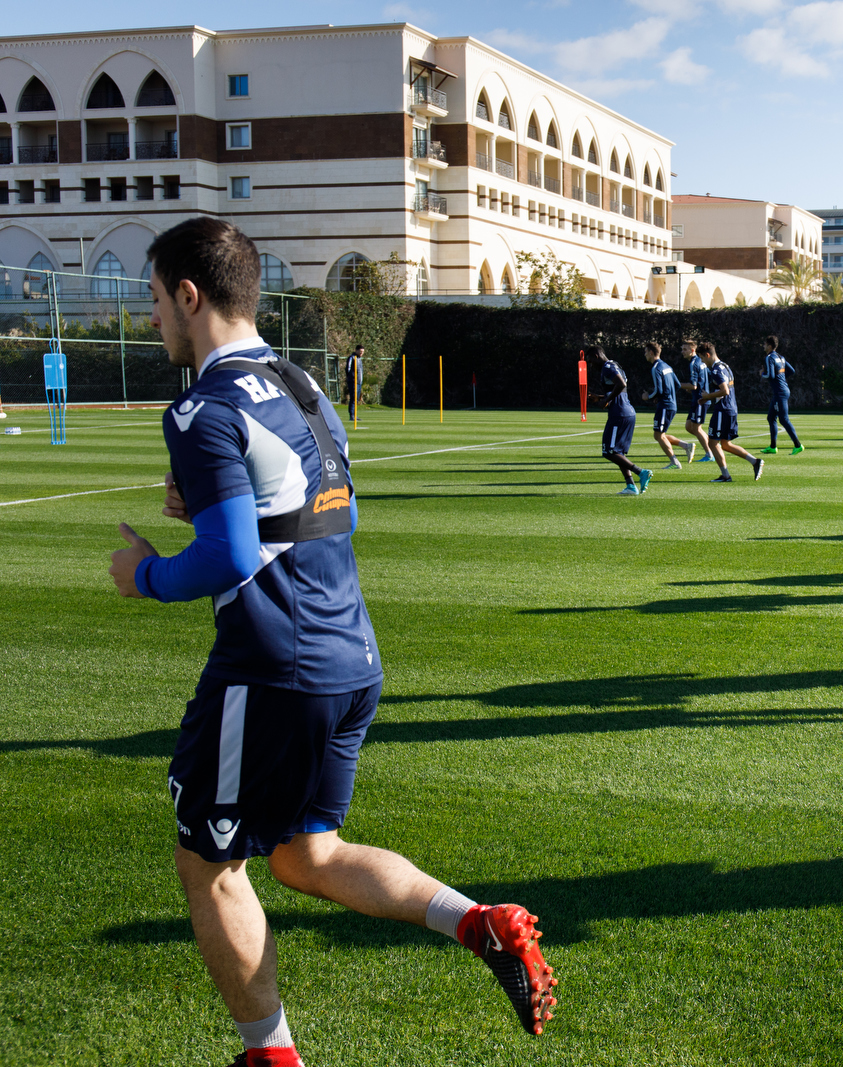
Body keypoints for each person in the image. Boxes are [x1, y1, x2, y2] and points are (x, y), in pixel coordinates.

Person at [106, 218, 556, 1067]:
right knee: (309, 854)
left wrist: (150, 575)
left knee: (210, 864)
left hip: (269, 665)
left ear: (190, 295)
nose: (153, 318)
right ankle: (478, 920)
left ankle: (271, 1057)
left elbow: (234, 555)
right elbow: (322, 506)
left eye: (157, 299)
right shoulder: (304, 384)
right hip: (352, 655)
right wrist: (211, 504)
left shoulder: (203, 404)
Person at [700, 341, 765, 482]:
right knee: (725, 444)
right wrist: (708, 397)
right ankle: (755, 462)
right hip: (731, 408)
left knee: (712, 443)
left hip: (722, 410)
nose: (703, 362)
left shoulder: (716, 370)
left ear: (707, 354)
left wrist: (707, 396)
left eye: (702, 358)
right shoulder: (725, 366)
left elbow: (725, 390)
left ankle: (725, 475)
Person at [591, 347, 652, 495]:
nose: (590, 364)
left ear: (596, 356)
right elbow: (618, 389)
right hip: (626, 412)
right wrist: (600, 397)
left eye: (590, 360)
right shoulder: (614, 365)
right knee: (618, 453)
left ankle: (641, 472)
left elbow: (621, 384)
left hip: (619, 414)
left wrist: (606, 400)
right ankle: (630, 486)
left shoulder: (607, 367)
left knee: (609, 451)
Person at [643, 342, 691, 468]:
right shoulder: (667, 366)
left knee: (659, 435)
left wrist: (648, 397)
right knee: (659, 434)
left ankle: (674, 462)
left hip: (665, 406)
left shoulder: (656, 368)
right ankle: (686, 446)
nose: (645, 354)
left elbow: (658, 390)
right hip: (670, 404)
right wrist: (667, 396)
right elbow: (677, 385)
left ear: (651, 353)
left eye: (646, 352)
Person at [760, 334, 803, 455]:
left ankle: (798, 445)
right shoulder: (780, 357)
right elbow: (791, 371)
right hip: (782, 391)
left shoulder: (769, 358)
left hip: (780, 392)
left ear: (769, 346)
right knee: (771, 417)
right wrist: (782, 378)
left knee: (783, 419)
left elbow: (770, 375)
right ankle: (773, 446)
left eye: (764, 344)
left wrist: (762, 374)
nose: (763, 346)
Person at [680, 339, 715, 462]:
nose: (682, 351)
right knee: (689, 426)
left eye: (685, 349)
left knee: (696, 428)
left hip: (701, 400)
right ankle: (713, 446)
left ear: (692, 350)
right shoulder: (701, 361)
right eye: (682, 349)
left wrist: (676, 384)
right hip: (698, 398)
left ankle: (710, 454)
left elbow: (693, 385)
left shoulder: (694, 363)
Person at [344, 344, 363, 423]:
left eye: (363, 352)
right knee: (353, 398)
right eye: (360, 351)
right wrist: (351, 378)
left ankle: (355, 414)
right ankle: (351, 415)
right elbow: (348, 369)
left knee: (356, 398)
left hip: (359, 382)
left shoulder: (360, 359)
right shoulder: (352, 358)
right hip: (353, 382)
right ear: (356, 350)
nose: (361, 353)